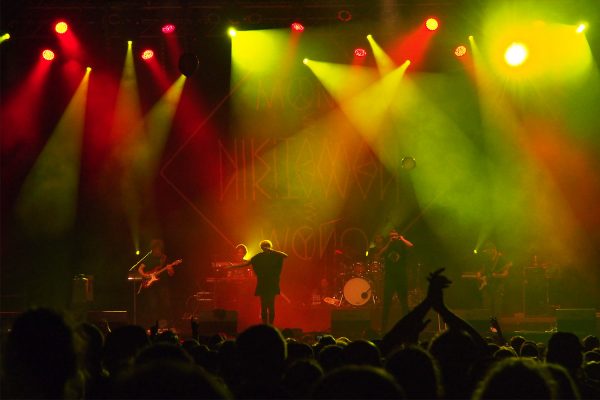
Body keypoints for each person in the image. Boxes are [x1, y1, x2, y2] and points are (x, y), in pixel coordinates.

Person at [229, 240, 287, 324]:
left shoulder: (273, 256)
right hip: (266, 284)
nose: (265, 248)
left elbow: (285, 256)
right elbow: (247, 263)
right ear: (262, 247)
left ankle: (269, 325)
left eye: (267, 246)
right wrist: (233, 266)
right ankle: (266, 325)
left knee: (269, 306)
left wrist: (271, 250)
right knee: (266, 307)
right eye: (264, 246)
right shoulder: (259, 256)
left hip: (269, 285)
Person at [377, 229, 414, 331]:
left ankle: (408, 326)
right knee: (386, 303)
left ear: (398, 235)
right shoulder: (387, 245)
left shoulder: (401, 244)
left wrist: (402, 239)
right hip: (390, 278)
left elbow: (411, 246)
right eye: (391, 236)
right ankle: (383, 327)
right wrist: (389, 243)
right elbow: (379, 254)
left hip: (401, 277)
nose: (393, 237)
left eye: (395, 235)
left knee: (404, 303)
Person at [137, 239, 177, 329]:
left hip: (163, 286)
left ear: (160, 249)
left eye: (157, 249)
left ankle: (170, 325)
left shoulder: (165, 258)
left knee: (166, 305)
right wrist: (145, 275)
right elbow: (140, 269)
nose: (155, 251)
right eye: (154, 249)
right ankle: (154, 326)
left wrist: (170, 269)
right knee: (153, 306)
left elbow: (171, 274)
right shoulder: (149, 258)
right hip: (151, 286)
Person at [477, 241, 512, 316]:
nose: (486, 253)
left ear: (493, 250)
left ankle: (496, 326)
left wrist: (496, 276)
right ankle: (487, 325)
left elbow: (506, 274)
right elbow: (483, 269)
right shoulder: (486, 258)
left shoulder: (502, 259)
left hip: (498, 286)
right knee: (486, 308)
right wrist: (479, 273)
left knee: (497, 309)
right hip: (487, 286)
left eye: (488, 251)